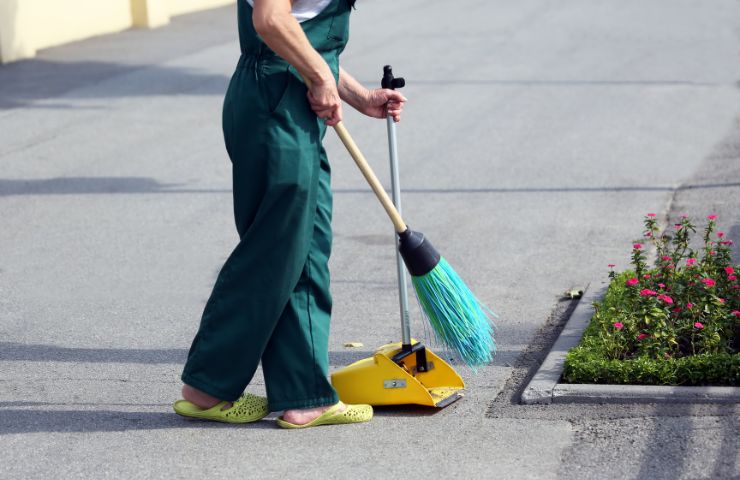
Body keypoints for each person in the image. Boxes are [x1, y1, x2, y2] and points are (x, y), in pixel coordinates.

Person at [172, 0, 407, 428]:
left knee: (308, 246)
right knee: (275, 250)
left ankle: (306, 395)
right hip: (274, 103)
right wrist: (320, 78)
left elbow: (301, 33)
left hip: (290, 100)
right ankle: (206, 387)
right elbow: (271, 20)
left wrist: (358, 96)